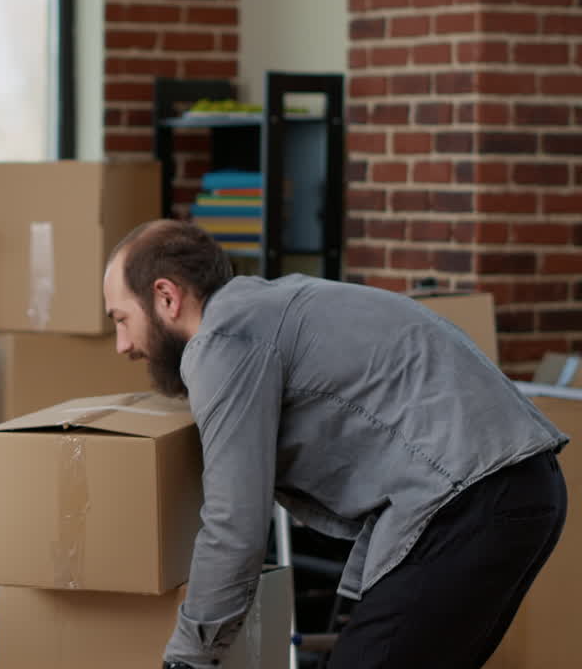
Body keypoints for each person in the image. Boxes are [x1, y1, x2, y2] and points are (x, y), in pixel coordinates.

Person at [101, 219, 568, 669]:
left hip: (470, 497)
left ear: (166, 296)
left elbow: (235, 523)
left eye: (122, 319)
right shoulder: (268, 307)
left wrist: (188, 657)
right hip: (521, 484)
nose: (123, 345)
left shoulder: (223, 341)